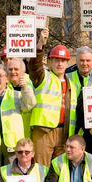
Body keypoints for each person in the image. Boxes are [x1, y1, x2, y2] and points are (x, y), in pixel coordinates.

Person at [29, 29, 79, 167]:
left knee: (60, 171)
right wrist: (41, 44)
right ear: (49, 61)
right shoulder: (43, 77)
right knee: (41, 168)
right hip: (44, 131)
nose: (60, 64)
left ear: (68, 63)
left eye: (63, 60)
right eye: (57, 60)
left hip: (65, 133)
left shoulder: (73, 85)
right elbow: (35, 66)